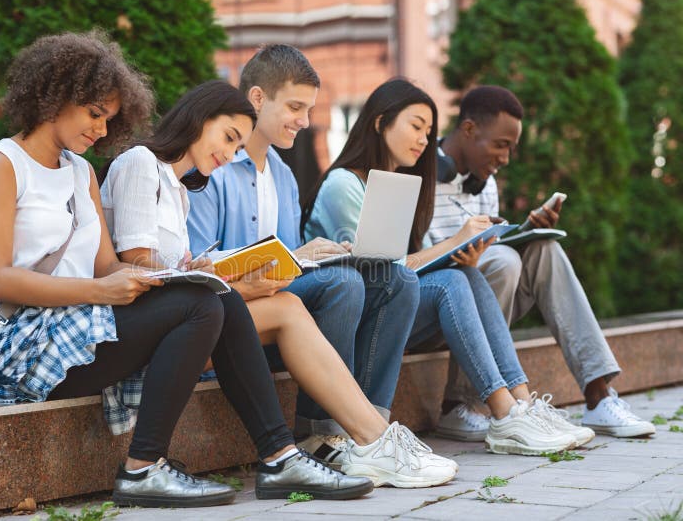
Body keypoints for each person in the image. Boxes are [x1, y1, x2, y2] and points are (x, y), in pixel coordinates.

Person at [0, 31, 371, 509]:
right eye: (94, 113)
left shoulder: (79, 172)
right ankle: (145, 468)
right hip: (26, 343)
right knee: (203, 304)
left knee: (210, 296)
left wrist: (178, 273)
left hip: (82, 325)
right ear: (53, 96)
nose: (101, 129)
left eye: (109, 118)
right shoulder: (0, 164)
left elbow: (108, 266)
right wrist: (104, 289)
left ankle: (279, 456)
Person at [101, 79, 458, 489]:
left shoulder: (179, 189)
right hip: (146, 328)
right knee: (302, 297)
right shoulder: (141, 163)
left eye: (238, 146)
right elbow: (139, 267)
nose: (230, 153)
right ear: (199, 118)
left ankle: (363, 438)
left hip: (188, 319)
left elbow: (174, 269)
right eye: (230, 138)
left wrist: (243, 269)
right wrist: (226, 280)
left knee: (289, 307)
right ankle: (364, 442)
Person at [302, 79, 587, 456]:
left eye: (429, 131)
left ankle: (520, 403)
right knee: (452, 280)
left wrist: (465, 248)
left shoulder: (399, 183)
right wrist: (455, 241)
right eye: (416, 126)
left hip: (389, 310)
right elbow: (380, 270)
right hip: (346, 316)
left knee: (464, 273)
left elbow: (395, 272)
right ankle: (506, 412)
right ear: (380, 122)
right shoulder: (344, 183)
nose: (424, 139)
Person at [186, 45, 421, 458]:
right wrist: (301, 259)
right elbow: (197, 270)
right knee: (342, 283)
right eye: (295, 107)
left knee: (396, 279)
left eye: (309, 109)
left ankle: (374, 431)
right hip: (235, 312)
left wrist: (319, 253)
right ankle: (321, 435)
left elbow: (288, 267)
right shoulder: (213, 165)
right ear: (257, 98)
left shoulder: (284, 176)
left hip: (282, 306)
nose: (305, 121)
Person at [427, 85, 656, 439]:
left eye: (511, 148)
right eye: (501, 145)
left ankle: (598, 396)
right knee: (502, 262)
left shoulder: (484, 181)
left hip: (485, 302)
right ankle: (459, 404)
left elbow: (489, 244)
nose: (505, 158)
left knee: (543, 248)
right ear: (469, 130)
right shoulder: (419, 171)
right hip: (437, 308)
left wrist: (525, 231)